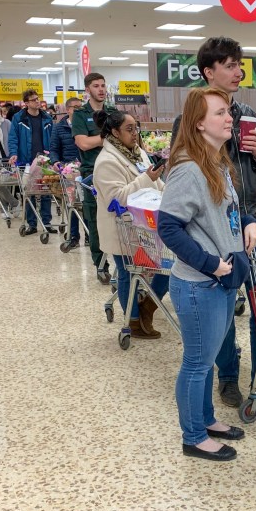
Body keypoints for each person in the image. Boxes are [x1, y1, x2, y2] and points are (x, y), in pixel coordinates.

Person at [172, 36, 256, 410]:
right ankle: (228, 378)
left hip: (252, 223)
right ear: (207, 71)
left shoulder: (246, 111)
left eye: (239, 64)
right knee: (223, 307)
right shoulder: (189, 118)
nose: (237, 71)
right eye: (229, 64)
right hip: (214, 230)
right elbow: (178, 169)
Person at [159, 88, 256, 461]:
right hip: (200, 283)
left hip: (217, 280)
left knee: (205, 359)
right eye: (220, 113)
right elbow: (168, 228)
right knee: (197, 363)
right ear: (199, 123)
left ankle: (205, 420)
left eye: (228, 112)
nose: (229, 118)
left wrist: (248, 222)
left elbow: (225, 212)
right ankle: (193, 437)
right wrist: (210, 263)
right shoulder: (188, 168)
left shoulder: (215, 161)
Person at [94, 109, 169, 340]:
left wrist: (170, 195)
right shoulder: (106, 161)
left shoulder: (138, 154)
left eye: (136, 128)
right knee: (127, 272)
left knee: (168, 266)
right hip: (122, 227)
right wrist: (147, 178)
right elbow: (117, 197)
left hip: (147, 225)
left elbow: (155, 185)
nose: (135, 133)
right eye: (129, 129)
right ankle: (132, 322)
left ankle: (148, 306)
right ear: (115, 132)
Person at [73, 72, 112, 282]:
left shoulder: (113, 112)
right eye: (96, 86)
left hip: (116, 172)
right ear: (88, 89)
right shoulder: (80, 114)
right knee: (96, 220)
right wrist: (107, 137)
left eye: (104, 86)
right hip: (92, 175)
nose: (101, 89)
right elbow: (83, 143)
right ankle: (100, 264)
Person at [8, 89, 54, 236]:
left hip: (44, 160)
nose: (37, 101)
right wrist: (13, 153)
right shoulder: (19, 118)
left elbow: (53, 138)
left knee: (46, 191)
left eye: (38, 99)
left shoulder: (47, 118)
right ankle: (32, 224)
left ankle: (47, 222)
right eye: (34, 100)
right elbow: (13, 137)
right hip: (25, 159)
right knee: (29, 193)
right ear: (26, 103)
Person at [50, 98, 84, 249]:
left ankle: (90, 236)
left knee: (87, 204)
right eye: (74, 107)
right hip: (68, 171)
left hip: (85, 169)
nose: (78, 110)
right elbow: (54, 148)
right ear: (68, 109)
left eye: (80, 107)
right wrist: (55, 161)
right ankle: (74, 236)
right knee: (72, 204)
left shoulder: (86, 125)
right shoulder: (59, 127)